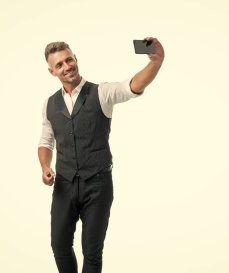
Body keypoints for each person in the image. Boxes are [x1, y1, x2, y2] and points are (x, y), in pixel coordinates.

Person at [37, 37, 164, 273]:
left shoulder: (102, 92)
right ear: (51, 71)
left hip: (97, 184)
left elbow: (132, 85)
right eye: (59, 65)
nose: (67, 67)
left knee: (92, 251)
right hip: (64, 185)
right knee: (59, 245)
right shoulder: (49, 104)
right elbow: (46, 141)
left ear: (76, 59)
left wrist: (155, 62)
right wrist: (45, 167)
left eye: (69, 60)